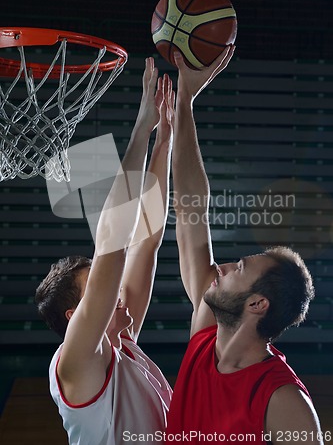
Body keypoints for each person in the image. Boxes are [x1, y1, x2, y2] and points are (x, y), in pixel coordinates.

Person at [165, 46, 324, 444]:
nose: (221, 268)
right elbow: (190, 210)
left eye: (238, 270)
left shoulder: (283, 399)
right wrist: (185, 101)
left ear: (257, 304)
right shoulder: (206, 339)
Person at [35, 57, 174, 445]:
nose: (114, 291)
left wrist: (164, 143)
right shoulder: (75, 365)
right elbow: (113, 241)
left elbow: (147, 239)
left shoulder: (121, 342)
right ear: (74, 316)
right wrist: (142, 130)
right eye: (99, 288)